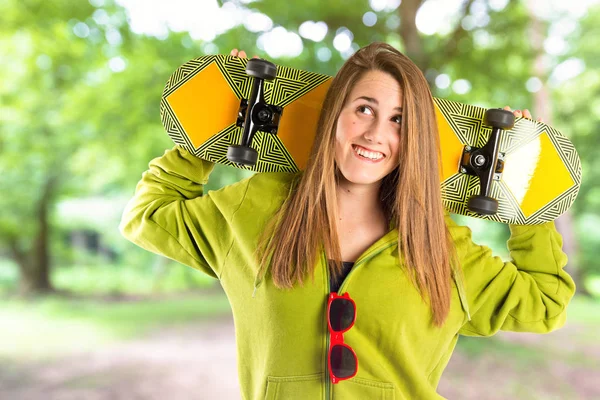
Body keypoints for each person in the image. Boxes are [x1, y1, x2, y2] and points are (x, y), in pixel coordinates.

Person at [119, 42, 576, 400]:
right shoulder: (257, 210)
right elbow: (148, 215)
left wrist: (525, 201)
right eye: (364, 109)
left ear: (414, 137)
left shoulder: (441, 245)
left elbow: (545, 303)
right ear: (333, 114)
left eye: (399, 120)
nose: (377, 134)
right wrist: (209, 132)